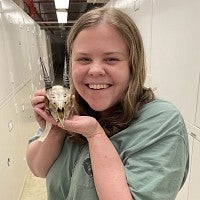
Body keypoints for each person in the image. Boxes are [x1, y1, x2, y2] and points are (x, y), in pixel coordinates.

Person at [27, 7, 189, 200]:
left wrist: (94, 135)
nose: (95, 70)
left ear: (133, 65)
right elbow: (38, 168)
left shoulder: (161, 121)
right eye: (84, 59)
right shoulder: (69, 104)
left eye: (111, 59)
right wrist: (55, 129)